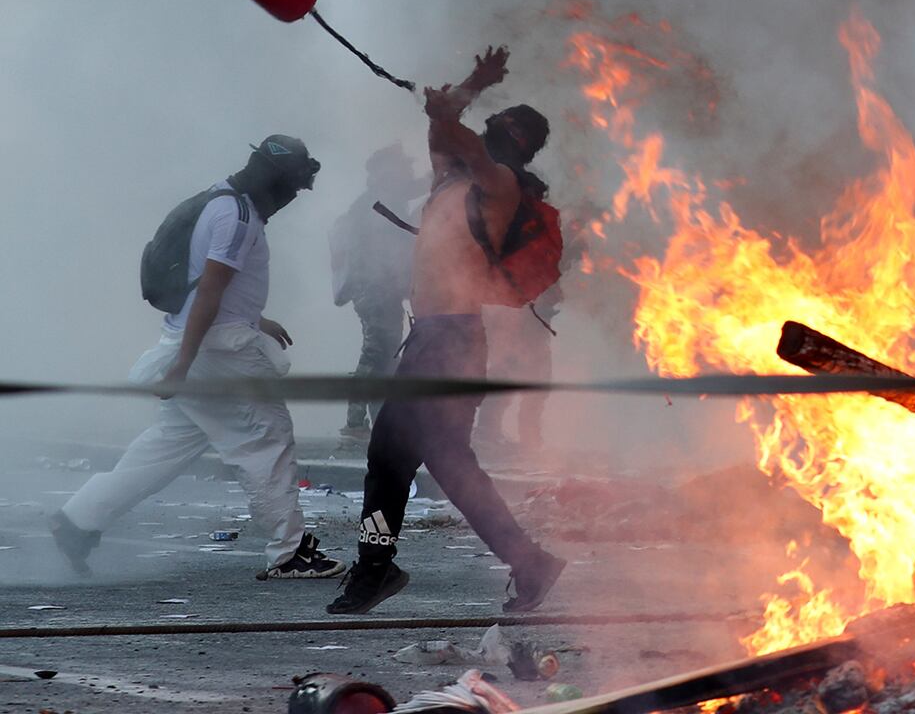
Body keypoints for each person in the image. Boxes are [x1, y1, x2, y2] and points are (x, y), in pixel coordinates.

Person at [328, 47, 566, 615]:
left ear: (515, 147)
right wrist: (473, 83)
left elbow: (450, 131)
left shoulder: (498, 183)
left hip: (451, 342)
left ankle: (383, 569)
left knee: (424, 461)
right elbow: (442, 129)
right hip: (432, 339)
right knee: (406, 459)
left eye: (499, 136)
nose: (488, 141)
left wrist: (457, 103)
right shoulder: (448, 179)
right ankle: (384, 567)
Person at [50, 136, 344, 581]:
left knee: (163, 448)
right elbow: (209, 289)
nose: (294, 196)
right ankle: (289, 552)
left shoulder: (220, 198)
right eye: (294, 184)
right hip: (219, 351)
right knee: (267, 439)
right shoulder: (239, 217)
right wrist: (183, 367)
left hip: (203, 339)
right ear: (277, 180)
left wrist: (254, 319)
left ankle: (78, 521)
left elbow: (210, 286)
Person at [331, 144, 426, 441]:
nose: (408, 171)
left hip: (381, 289)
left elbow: (418, 187)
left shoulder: (381, 197)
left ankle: (375, 420)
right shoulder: (376, 201)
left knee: (384, 354)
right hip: (375, 289)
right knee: (376, 353)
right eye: (402, 165)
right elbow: (386, 251)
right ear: (386, 171)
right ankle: (355, 423)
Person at [478, 281, 563, 457]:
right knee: (506, 377)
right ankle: (487, 434)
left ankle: (529, 440)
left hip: (534, 324)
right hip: (516, 324)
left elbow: (556, 292)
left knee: (537, 386)